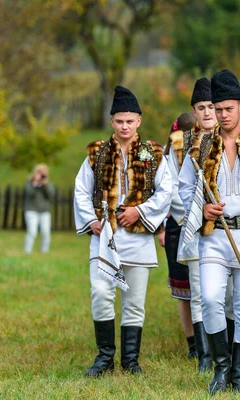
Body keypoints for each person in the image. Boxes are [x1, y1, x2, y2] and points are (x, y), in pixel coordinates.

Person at [178, 70, 240, 394]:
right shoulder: (202, 144)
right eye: (217, 109)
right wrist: (202, 209)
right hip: (215, 236)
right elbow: (185, 189)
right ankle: (221, 369)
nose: (222, 115)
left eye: (228, 108)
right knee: (209, 298)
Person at [74, 86, 172, 376]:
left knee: (134, 300)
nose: (125, 126)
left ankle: (131, 360)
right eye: (119, 121)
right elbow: (81, 189)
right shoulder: (97, 152)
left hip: (139, 237)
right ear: (112, 122)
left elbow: (166, 191)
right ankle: (104, 357)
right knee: (101, 292)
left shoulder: (154, 152)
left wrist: (138, 211)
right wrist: (91, 219)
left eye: (130, 120)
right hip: (106, 237)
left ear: (139, 120)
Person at [164, 78, 221, 372]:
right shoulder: (181, 145)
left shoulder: (236, 140)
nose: (209, 112)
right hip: (196, 227)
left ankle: (226, 349)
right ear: (194, 112)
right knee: (199, 290)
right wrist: (196, 215)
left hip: (229, 228)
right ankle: (204, 354)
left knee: (227, 293)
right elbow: (173, 188)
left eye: (212, 106)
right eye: (202, 107)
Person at [23, 164, 55, 254]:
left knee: (45, 232)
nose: (41, 175)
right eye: (39, 173)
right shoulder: (29, 183)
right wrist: (35, 184)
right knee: (32, 231)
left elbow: (51, 195)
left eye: (43, 173)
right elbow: (29, 194)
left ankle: (44, 251)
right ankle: (27, 251)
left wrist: (45, 185)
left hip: (44, 211)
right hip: (31, 210)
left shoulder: (48, 184)